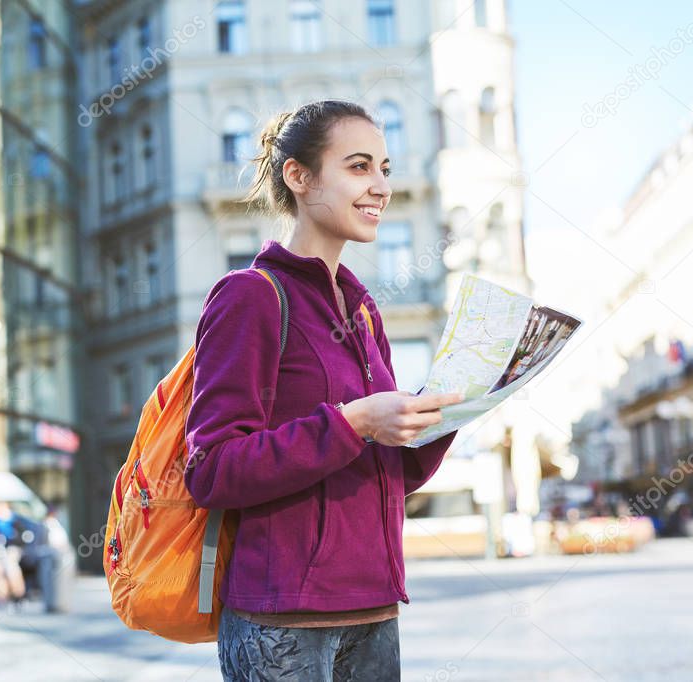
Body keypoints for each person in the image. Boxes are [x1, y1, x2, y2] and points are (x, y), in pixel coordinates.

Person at [183, 100, 465, 681]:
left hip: (374, 610)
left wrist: (448, 415)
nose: (381, 187)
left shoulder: (362, 311)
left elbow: (391, 476)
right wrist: (353, 422)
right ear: (299, 176)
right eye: (359, 167)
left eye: (385, 169)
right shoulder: (251, 296)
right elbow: (212, 470)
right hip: (282, 621)